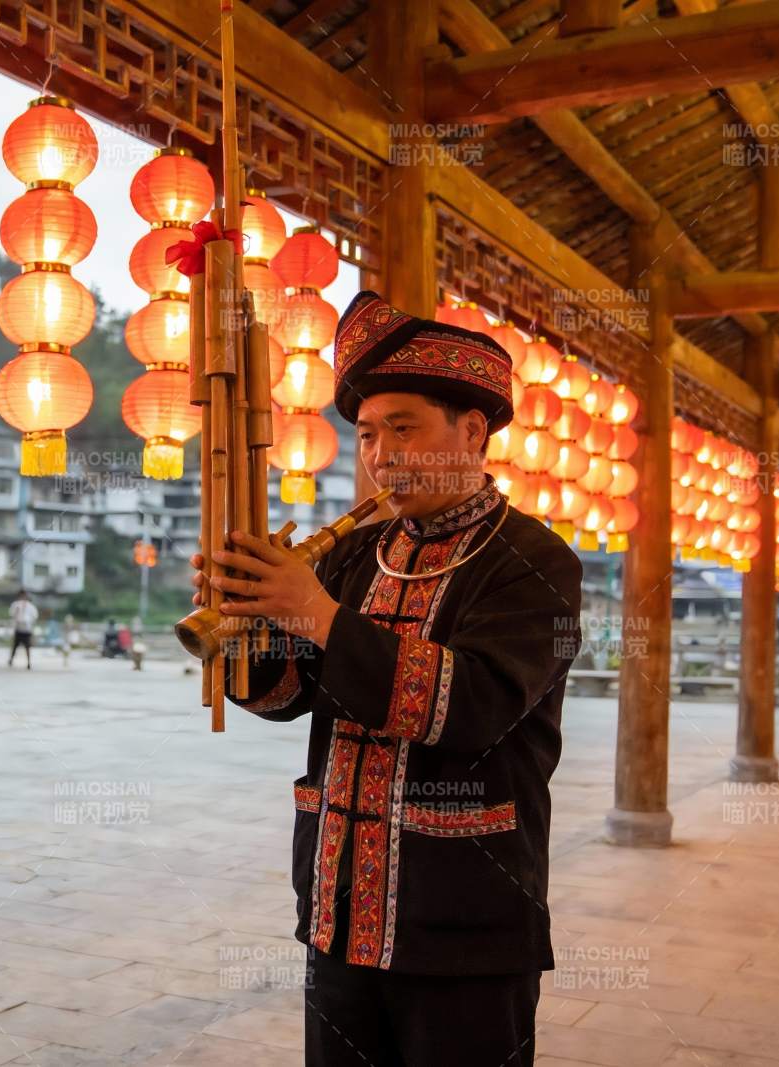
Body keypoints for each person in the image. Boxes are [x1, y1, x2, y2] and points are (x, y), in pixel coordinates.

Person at [189, 290, 582, 1065]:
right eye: (368, 434)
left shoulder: (536, 562)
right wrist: (249, 622)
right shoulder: (351, 552)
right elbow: (290, 694)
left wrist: (316, 613)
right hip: (338, 911)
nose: (381, 454)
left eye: (403, 428)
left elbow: (470, 706)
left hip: (465, 920)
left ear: (473, 432)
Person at [8, 589, 37, 669]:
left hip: (27, 629)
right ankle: (11, 659)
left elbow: (34, 616)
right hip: (18, 628)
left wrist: (29, 621)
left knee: (27, 646)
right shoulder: (15, 605)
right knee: (15, 646)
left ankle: (28, 662)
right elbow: (11, 614)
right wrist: (16, 612)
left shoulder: (30, 606)